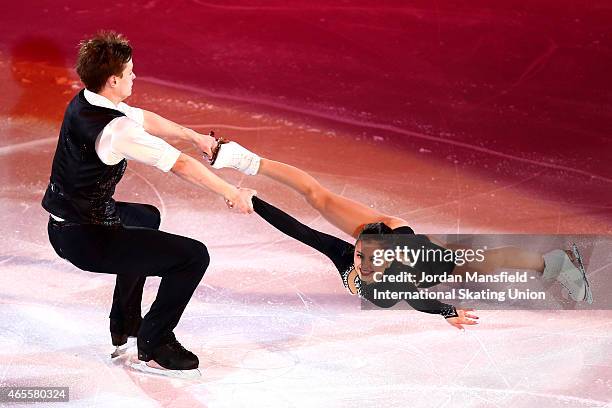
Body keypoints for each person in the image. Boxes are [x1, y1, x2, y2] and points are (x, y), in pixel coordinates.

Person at [41, 31, 256, 377]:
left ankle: (125, 320)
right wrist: (231, 192)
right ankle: (155, 342)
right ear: (113, 80)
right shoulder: (116, 130)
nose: (134, 77)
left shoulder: (87, 101)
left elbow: (145, 118)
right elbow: (180, 165)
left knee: (145, 216)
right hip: (85, 238)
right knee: (192, 257)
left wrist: (195, 136)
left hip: (67, 223)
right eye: (129, 73)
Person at [207, 140, 593, 330]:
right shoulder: (354, 251)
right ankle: (240, 156)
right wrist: (249, 197)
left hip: (421, 257)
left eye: (365, 259)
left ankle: (556, 262)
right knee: (318, 196)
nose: (357, 261)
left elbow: (419, 300)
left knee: (473, 266)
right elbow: (300, 230)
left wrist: (447, 312)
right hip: (392, 232)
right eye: (359, 254)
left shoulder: (396, 280)